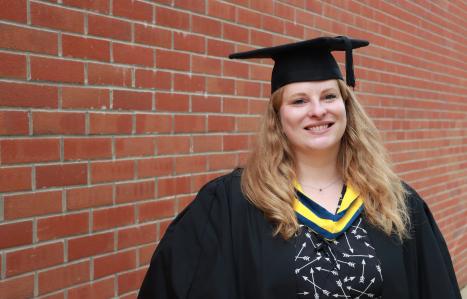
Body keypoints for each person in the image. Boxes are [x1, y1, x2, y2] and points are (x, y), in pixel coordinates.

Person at [137, 36, 462, 299]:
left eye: (329, 96)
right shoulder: (229, 205)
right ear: (277, 118)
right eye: (299, 100)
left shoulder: (397, 203)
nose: (317, 110)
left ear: (347, 107)